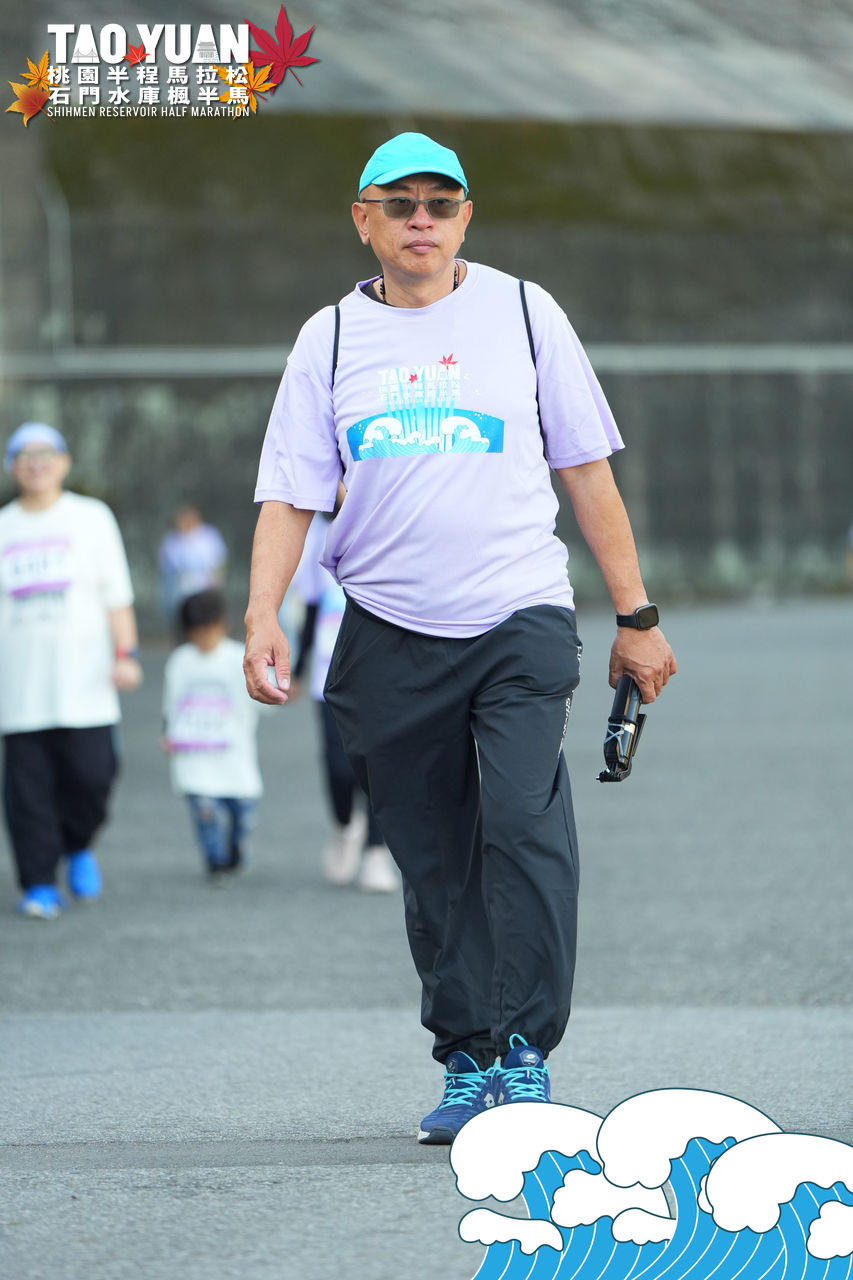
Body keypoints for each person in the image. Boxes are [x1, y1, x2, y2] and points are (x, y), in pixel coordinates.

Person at [243, 132, 676, 1143]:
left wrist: (636, 616)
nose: (421, 220)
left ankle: (526, 1050)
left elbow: (585, 467)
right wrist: (262, 612)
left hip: (518, 615)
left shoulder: (525, 313)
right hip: (387, 628)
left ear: (466, 218)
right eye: (400, 204)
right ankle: (469, 1055)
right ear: (364, 220)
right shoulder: (329, 339)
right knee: (434, 856)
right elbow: (290, 492)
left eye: (441, 203)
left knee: (522, 825)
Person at [0, 422, 143, 918]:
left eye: (45, 453)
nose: (35, 463)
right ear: (11, 467)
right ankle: (39, 883)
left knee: (93, 778)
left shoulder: (91, 518)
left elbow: (117, 597)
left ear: (63, 462)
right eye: (24, 455)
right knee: (27, 794)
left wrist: (126, 655)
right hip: (20, 691)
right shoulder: (4, 526)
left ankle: (78, 845)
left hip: (86, 687)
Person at [290, 512, 398, 893]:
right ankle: (344, 825)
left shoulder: (389, 517)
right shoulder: (316, 534)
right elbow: (311, 608)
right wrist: (297, 668)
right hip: (329, 671)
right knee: (338, 764)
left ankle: (376, 852)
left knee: (380, 762)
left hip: (381, 669)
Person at [162, 588, 264, 881]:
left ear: (222, 624)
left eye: (209, 630)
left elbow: (261, 698)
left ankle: (236, 849)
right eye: (198, 633)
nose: (205, 638)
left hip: (234, 755)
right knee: (205, 812)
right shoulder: (181, 661)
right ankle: (215, 861)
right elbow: (172, 702)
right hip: (196, 754)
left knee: (243, 814)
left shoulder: (238, 658)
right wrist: (168, 731)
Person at [158, 504, 227, 625]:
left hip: (206, 590)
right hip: (181, 593)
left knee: (206, 620)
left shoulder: (209, 536)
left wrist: (217, 583)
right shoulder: (172, 540)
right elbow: (168, 569)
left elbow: (219, 562)